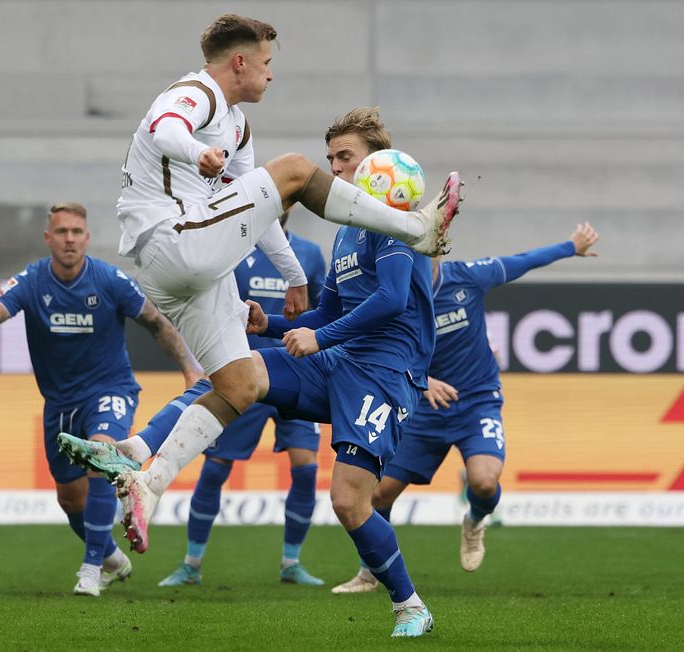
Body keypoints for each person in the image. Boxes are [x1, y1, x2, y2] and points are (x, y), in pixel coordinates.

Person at [61, 107, 440, 637]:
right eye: (330, 158)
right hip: (339, 363)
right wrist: (270, 326)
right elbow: (328, 312)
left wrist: (318, 337)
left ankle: (410, 605)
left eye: (345, 157)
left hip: (383, 376)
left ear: (378, 161)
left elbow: (393, 300)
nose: (335, 168)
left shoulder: (392, 221)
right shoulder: (348, 234)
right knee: (236, 375)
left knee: (350, 503)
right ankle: (139, 456)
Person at [96, 13, 462, 557]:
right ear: (240, 61)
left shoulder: (239, 128)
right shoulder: (197, 92)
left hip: (181, 269)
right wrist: (197, 152)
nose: (271, 75)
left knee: (237, 383)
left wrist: (294, 278)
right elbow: (164, 129)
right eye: (267, 63)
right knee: (292, 169)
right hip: (173, 237)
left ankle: (145, 478)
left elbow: (260, 210)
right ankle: (421, 227)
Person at [332, 223, 600, 593]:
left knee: (485, 482)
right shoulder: (395, 296)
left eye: (428, 250)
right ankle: (369, 572)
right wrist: (423, 382)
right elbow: (381, 350)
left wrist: (570, 246)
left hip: (476, 401)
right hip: (425, 408)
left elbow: (520, 262)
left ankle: (474, 521)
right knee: (377, 495)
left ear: (440, 250)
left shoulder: (468, 278)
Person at [0, 201, 203, 597]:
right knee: (70, 498)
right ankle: (108, 555)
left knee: (102, 455)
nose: (69, 239)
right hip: (59, 404)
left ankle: (90, 571)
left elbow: (156, 321)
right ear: (48, 238)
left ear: (86, 238)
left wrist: (190, 369)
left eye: (76, 232)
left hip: (110, 390)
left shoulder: (109, 279)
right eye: (62, 232)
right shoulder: (33, 281)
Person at [157, 211, 327, 588]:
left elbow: (324, 313)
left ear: (292, 205)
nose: (279, 204)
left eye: (286, 197)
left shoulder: (310, 255)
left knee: (306, 469)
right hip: (242, 378)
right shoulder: (230, 251)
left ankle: (291, 563)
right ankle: (191, 563)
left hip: (299, 374)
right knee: (215, 468)